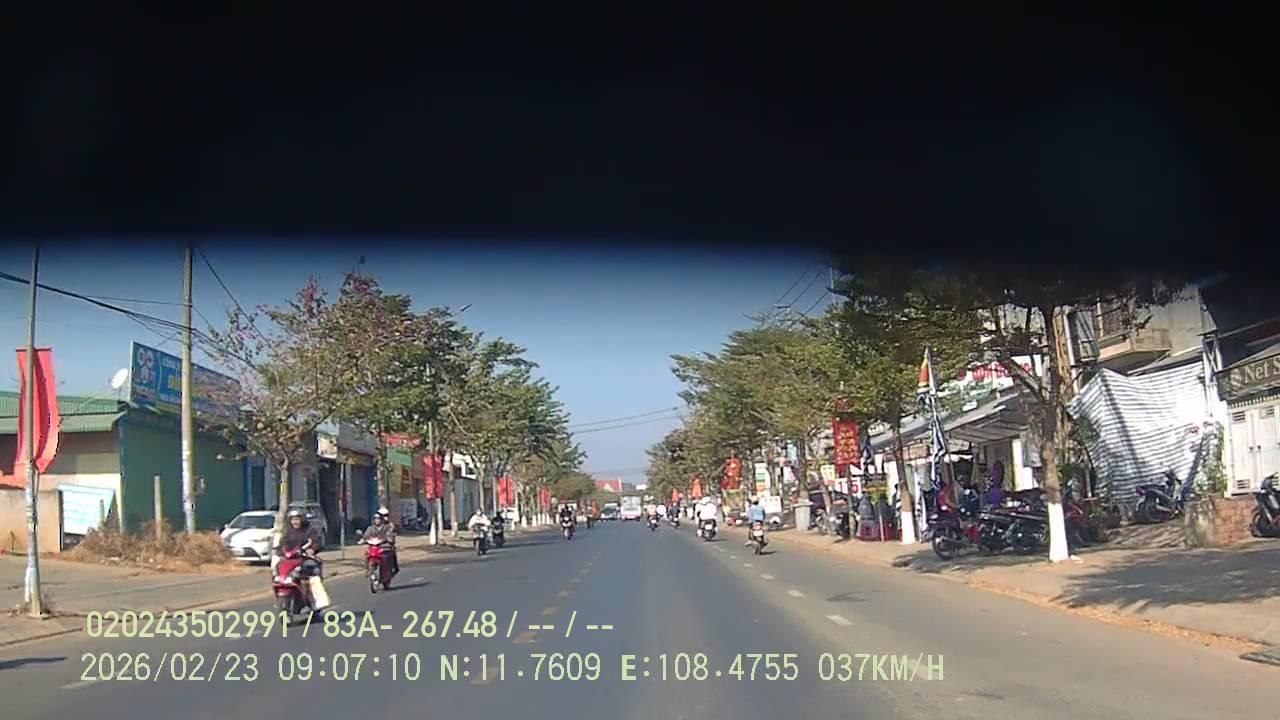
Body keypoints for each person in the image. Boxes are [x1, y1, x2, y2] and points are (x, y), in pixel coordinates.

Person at [280, 508, 323, 579]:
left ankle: (314, 584)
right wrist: (280, 551)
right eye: (292, 520)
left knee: (314, 568)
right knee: (278, 566)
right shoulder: (287, 531)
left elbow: (316, 541)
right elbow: (282, 544)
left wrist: (312, 549)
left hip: (304, 557)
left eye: (297, 519)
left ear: (302, 519)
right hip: (290, 559)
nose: (295, 522)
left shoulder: (309, 530)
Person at [362, 507, 399, 577]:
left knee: (391, 554)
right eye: (376, 519)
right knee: (367, 554)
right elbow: (366, 536)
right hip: (374, 546)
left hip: (386, 546)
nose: (377, 520)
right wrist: (364, 539)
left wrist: (390, 538)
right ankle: (367, 570)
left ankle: (393, 569)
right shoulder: (370, 528)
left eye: (379, 519)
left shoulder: (388, 526)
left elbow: (391, 534)